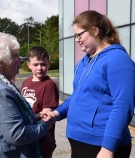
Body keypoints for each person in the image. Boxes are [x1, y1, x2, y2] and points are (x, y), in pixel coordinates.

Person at [41, 10, 135, 158]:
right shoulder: (84, 61)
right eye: (75, 36)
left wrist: (108, 148)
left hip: (102, 145)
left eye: (79, 35)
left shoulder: (117, 59)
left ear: (95, 30)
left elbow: (123, 106)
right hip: (79, 140)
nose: (76, 40)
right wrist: (57, 113)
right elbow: (77, 95)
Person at [0, 33, 51, 158]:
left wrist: (33, 118)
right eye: (15, 56)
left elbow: (3, 119)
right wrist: (44, 125)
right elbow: (18, 135)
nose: (20, 59)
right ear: (2, 63)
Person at [21, 46, 59, 158]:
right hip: (28, 135)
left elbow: (46, 113)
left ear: (49, 64)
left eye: (43, 64)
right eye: (35, 64)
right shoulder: (26, 82)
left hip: (42, 138)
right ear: (29, 65)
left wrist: (30, 118)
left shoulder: (49, 85)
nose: (40, 68)